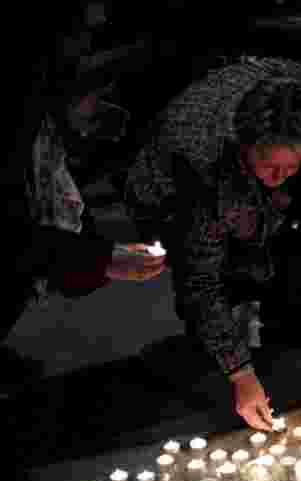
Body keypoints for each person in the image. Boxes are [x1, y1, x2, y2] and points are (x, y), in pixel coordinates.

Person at [124, 56, 301, 430]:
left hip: (241, 163)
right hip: (166, 197)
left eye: (291, 167)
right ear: (246, 146)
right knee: (222, 273)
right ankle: (220, 348)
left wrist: (285, 191)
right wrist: (241, 373)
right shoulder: (200, 166)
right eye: (270, 166)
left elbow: (288, 167)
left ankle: (282, 307)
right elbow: (199, 280)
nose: (281, 176)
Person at [1, 6, 166, 397]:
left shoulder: (45, 131)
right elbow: (14, 241)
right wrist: (101, 257)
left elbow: (68, 249)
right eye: (82, 36)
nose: (90, 42)